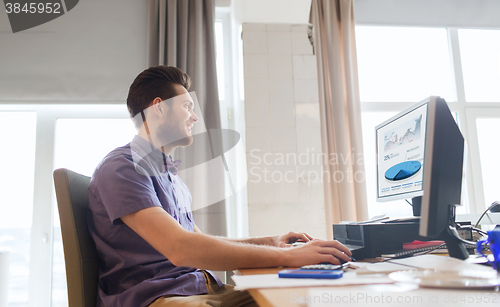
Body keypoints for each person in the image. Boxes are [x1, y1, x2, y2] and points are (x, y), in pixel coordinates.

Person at [87, 65, 352, 307]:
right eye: (187, 107)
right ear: (159, 107)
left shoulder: (170, 176)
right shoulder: (123, 168)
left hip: (200, 289)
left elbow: (198, 241)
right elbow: (182, 249)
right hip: (157, 298)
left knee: (309, 297)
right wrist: (290, 257)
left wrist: (270, 242)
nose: (195, 118)